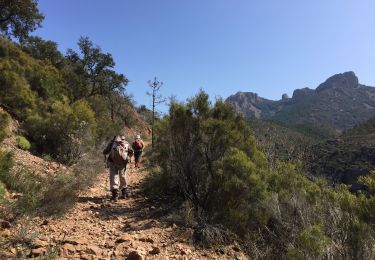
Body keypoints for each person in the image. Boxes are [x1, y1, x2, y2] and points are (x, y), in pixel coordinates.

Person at [103, 135, 133, 201]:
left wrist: (105, 152)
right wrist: (127, 158)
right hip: (123, 163)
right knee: (122, 176)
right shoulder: (126, 143)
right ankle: (124, 193)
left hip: (112, 162)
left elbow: (105, 152)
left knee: (114, 177)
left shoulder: (112, 143)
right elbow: (131, 152)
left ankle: (115, 194)